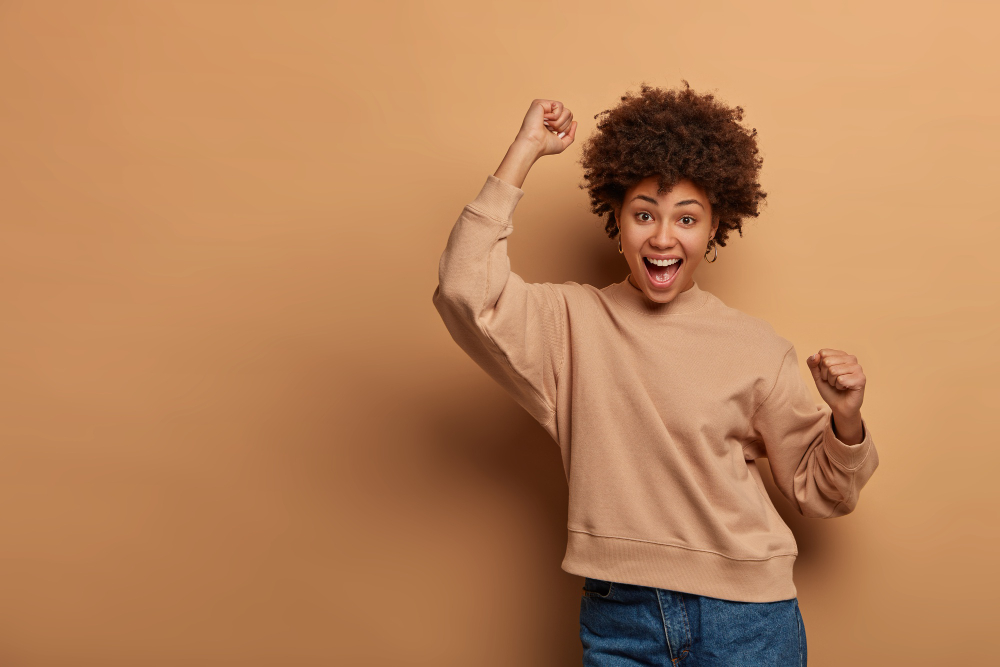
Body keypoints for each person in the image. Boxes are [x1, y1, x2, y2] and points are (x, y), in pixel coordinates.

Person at [431, 81, 878, 666]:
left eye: (686, 219)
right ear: (616, 221)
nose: (663, 237)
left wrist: (846, 419)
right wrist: (523, 152)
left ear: (714, 227)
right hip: (620, 618)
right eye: (644, 215)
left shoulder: (756, 348)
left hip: (747, 622)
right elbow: (463, 289)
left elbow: (819, 494)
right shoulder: (569, 324)